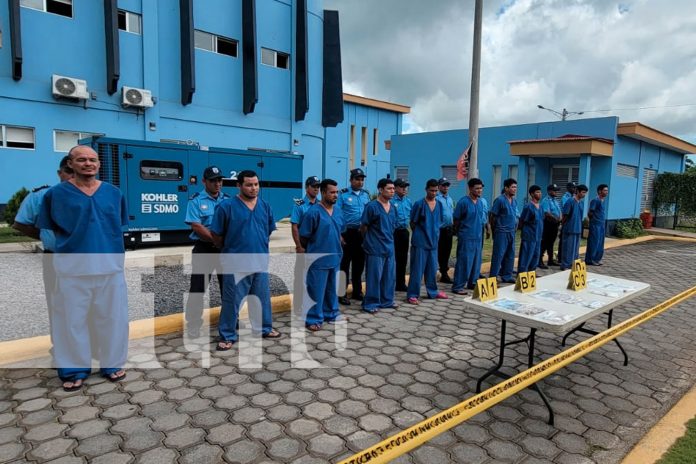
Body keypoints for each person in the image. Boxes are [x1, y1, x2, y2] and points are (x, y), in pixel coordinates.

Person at [38, 145, 129, 392]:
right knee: (71, 322)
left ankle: (111, 364)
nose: (88, 164)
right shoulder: (55, 195)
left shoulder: (113, 193)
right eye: (81, 160)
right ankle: (74, 370)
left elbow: (117, 225)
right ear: (70, 164)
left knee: (113, 319)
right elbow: (48, 227)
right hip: (72, 269)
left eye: (92, 160)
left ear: (99, 164)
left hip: (110, 267)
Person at [210, 170, 281, 350]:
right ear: (239, 185)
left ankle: (264, 328)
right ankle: (227, 335)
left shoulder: (264, 206)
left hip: (260, 261)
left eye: (256, 184)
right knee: (232, 301)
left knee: (262, 298)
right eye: (249, 185)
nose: (253, 188)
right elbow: (216, 235)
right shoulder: (226, 207)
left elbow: (268, 230)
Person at [13, 156, 73, 326]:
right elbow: (21, 223)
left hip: (85, 257)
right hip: (54, 256)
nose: (72, 176)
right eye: (68, 172)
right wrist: (45, 236)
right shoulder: (42, 195)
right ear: (59, 173)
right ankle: (60, 345)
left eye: (75, 172)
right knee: (56, 302)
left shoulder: (93, 195)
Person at [183, 166, 230, 338]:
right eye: (213, 181)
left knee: (229, 287)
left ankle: (230, 319)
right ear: (204, 182)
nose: (217, 184)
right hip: (204, 249)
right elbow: (196, 225)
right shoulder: (195, 200)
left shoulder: (227, 200)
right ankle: (193, 324)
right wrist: (216, 240)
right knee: (198, 288)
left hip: (224, 251)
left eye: (219, 180)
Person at [299, 179, 346, 331]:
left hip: (335, 256)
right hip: (318, 259)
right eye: (332, 192)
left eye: (337, 192)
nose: (335, 195)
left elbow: (339, 231)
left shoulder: (338, 211)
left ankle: (331, 313)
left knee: (332, 289)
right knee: (316, 290)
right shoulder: (313, 213)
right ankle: (313, 318)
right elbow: (304, 237)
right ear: (323, 192)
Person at [407, 179, 448, 304]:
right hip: (420, 243)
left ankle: (433, 292)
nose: (434, 193)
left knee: (432, 269)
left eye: (436, 191)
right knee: (417, 270)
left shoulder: (439, 204)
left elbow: (439, 221)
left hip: (433, 242)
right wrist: (421, 234)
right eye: (431, 190)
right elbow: (413, 223)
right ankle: (413, 294)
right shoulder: (419, 204)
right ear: (426, 190)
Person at [360, 178, 398, 313]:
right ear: (381, 190)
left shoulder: (393, 208)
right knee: (374, 277)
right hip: (375, 248)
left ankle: (387, 301)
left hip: (389, 247)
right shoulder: (372, 207)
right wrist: (370, 241)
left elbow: (392, 226)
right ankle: (370, 303)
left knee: (389, 276)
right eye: (389, 189)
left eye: (393, 189)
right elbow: (364, 227)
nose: (392, 191)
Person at [337, 168, 370, 305]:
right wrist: (339, 235)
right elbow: (337, 215)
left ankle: (357, 291)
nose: (360, 181)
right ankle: (341, 294)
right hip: (347, 233)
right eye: (357, 179)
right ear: (351, 180)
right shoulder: (343, 195)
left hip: (361, 233)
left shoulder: (366, 195)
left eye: (362, 179)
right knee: (344, 264)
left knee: (359, 264)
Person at [291, 176, 321, 317]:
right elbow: (295, 226)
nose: (316, 189)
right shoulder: (300, 205)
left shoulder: (321, 204)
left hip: (317, 246)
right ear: (307, 187)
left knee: (315, 277)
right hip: (305, 246)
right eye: (314, 186)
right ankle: (298, 306)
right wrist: (298, 246)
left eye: (318, 186)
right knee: (301, 278)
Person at [452, 178, 484, 295]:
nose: (479, 190)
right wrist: (461, 231)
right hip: (466, 236)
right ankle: (458, 285)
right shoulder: (463, 202)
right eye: (477, 188)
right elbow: (456, 219)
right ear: (470, 189)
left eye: (481, 188)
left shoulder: (480, 202)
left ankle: (472, 282)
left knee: (476, 261)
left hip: (477, 236)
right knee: (464, 261)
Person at [489, 178, 519, 283]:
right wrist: (494, 231)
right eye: (512, 187)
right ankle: (493, 276)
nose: (514, 189)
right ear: (506, 188)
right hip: (501, 231)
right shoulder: (500, 200)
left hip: (511, 231)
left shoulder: (514, 201)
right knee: (498, 255)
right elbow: (493, 216)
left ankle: (507, 275)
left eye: (515, 187)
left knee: (510, 254)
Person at [560, 184, 588, 270]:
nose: (584, 194)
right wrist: (562, 226)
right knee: (568, 248)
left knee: (575, 250)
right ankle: (565, 265)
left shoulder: (581, 203)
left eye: (585, 193)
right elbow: (565, 215)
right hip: (569, 229)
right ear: (577, 192)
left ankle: (573, 264)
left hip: (577, 229)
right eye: (583, 192)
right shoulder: (570, 201)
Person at [391, 178, 412, 292]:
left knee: (403, 259)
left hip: (404, 232)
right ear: (395, 188)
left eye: (406, 186)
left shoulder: (408, 201)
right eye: (402, 186)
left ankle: (400, 283)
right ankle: (390, 283)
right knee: (392, 259)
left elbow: (412, 217)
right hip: (393, 233)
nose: (404, 189)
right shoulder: (391, 201)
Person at [517, 185, 544, 273]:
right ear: (532, 194)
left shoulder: (540, 207)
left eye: (540, 192)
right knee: (526, 255)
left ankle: (531, 273)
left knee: (536, 255)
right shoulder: (528, 207)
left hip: (538, 235)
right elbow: (522, 220)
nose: (539, 194)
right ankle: (522, 273)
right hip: (529, 235)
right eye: (537, 192)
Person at [436, 177, 455, 284]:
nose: (446, 187)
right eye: (443, 185)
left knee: (447, 252)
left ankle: (444, 272)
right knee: (440, 252)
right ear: (439, 187)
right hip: (440, 229)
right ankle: (442, 273)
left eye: (447, 185)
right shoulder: (437, 199)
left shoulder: (449, 199)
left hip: (449, 229)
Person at [539, 184, 562, 268]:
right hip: (548, 224)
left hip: (555, 224)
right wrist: (555, 219)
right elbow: (546, 213)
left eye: (556, 190)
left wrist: (560, 218)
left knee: (551, 243)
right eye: (554, 190)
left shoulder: (555, 201)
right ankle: (539, 260)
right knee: (545, 242)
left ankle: (550, 260)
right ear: (549, 191)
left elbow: (559, 211)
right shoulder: (546, 200)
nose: (556, 192)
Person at [586, 184, 609, 266]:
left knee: (600, 242)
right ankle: (590, 259)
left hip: (601, 225)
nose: (606, 192)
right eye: (605, 190)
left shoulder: (603, 201)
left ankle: (597, 259)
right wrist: (592, 221)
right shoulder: (595, 200)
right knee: (594, 242)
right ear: (600, 191)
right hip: (595, 225)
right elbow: (590, 212)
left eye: (607, 190)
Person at [557, 182, 576, 265]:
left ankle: (565, 258)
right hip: (565, 221)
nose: (574, 189)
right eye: (573, 187)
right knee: (563, 240)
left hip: (570, 222)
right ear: (568, 188)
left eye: (575, 187)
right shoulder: (566, 197)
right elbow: (566, 210)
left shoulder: (573, 197)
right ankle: (561, 258)